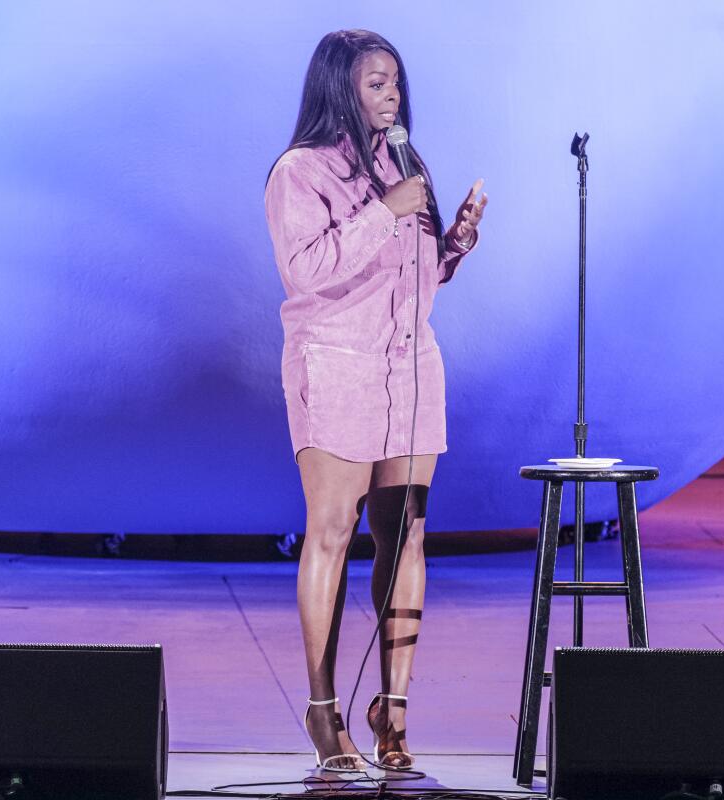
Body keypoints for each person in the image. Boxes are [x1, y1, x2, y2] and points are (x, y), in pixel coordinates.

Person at [264, 29, 487, 773]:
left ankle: (393, 709)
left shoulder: (403, 164)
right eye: (376, 84)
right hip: (337, 366)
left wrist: (451, 244)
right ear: (339, 88)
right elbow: (309, 271)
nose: (393, 97)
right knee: (332, 529)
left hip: (410, 368)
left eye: (396, 83)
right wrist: (385, 212)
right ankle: (323, 707)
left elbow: (412, 279)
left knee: (408, 534)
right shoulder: (300, 173)